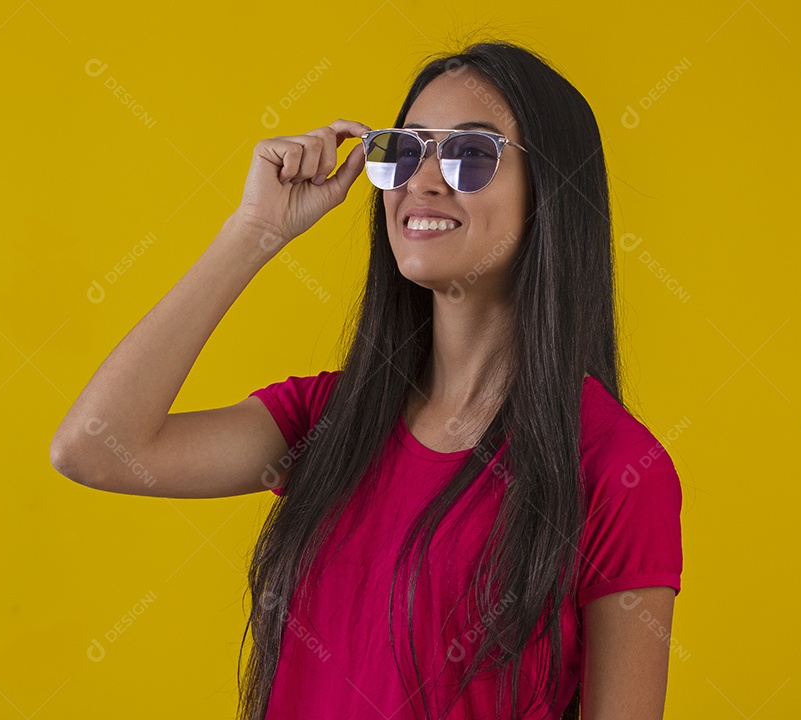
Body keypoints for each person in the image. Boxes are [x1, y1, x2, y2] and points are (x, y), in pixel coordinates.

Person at [51, 40, 682, 720]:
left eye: (472, 155)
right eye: (405, 152)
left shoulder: (617, 470)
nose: (424, 181)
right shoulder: (330, 418)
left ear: (551, 191)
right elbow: (95, 446)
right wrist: (255, 229)